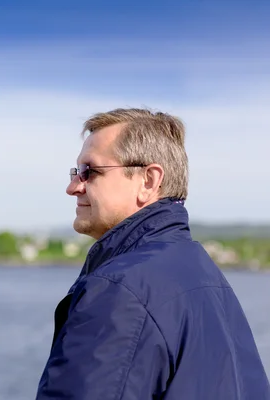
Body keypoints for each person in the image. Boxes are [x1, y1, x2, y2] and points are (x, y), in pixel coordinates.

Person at [35, 108, 270, 399]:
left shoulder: (120, 290)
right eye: (75, 172)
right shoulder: (206, 276)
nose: (73, 187)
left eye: (90, 171)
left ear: (148, 181)